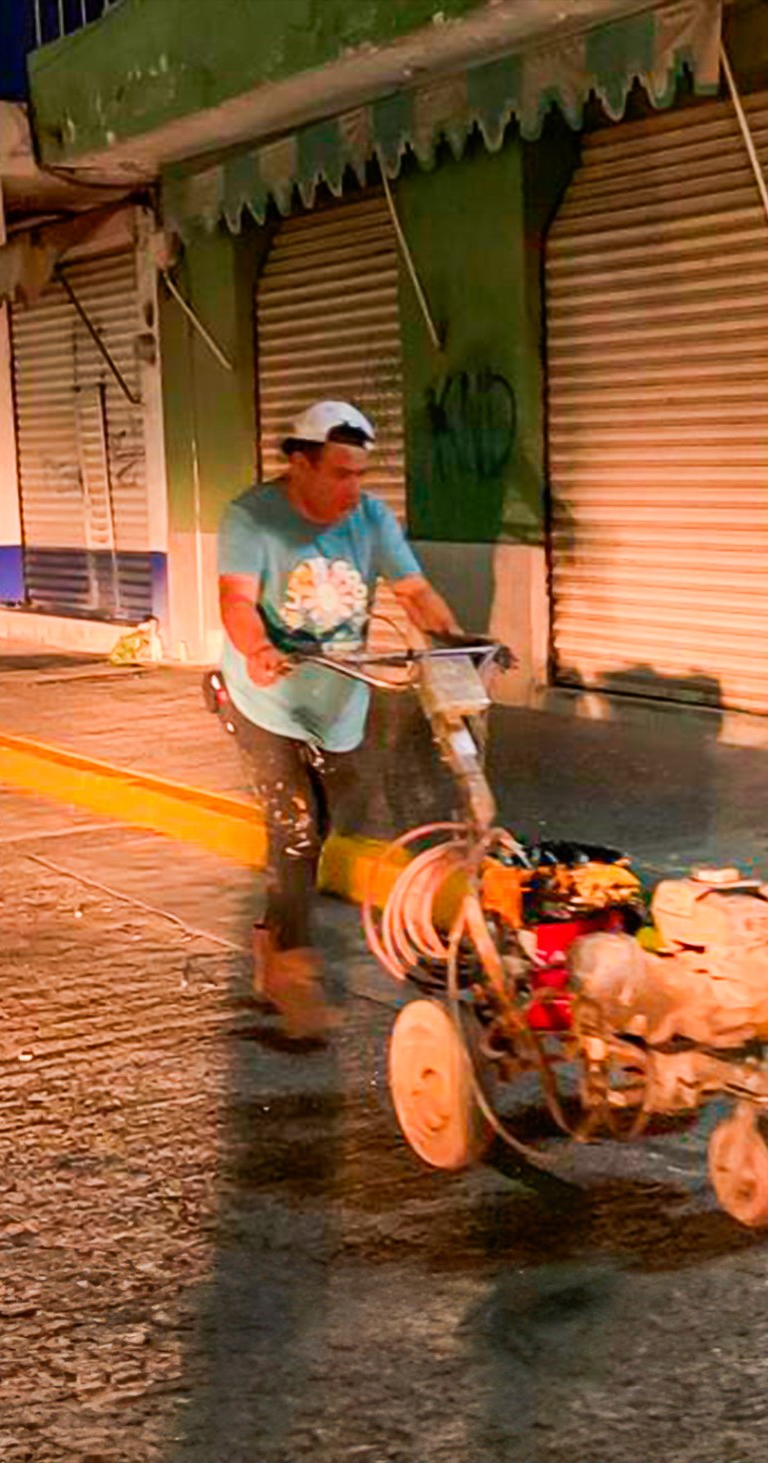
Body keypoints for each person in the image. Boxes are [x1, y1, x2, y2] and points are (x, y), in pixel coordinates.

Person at [215, 400, 462, 1039]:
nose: (353, 489)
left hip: (341, 701)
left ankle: (271, 941)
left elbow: (414, 592)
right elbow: (237, 601)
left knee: (317, 832)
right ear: (300, 463)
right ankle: (292, 974)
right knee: (295, 826)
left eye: (360, 474)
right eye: (339, 474)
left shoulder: (372, 518)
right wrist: (259, 650)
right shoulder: (252, 517)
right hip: (266, 697)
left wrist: (457, 640)